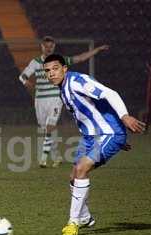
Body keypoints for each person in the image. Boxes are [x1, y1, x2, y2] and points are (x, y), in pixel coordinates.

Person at [43, 54, 145, 235]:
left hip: (107, 134)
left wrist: (124, 117)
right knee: (74, 175)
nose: (51, 73)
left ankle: (72, 223)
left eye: (55, 68)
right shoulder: (63, 89)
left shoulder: (77, 81)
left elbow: (109, 93)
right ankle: (85, 217)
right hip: (92, 137)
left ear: (64, 68)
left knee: (82, 169)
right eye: (47, 71)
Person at [19, 36, 109, 168]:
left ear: (54, 47)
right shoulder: (35, 62)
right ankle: (57, 157)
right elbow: (22, 76)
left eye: (51, 46)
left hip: (56, 98)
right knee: (46, 130)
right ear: (42, 47)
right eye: (46, 46)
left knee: (50, 127)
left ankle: (43, 159)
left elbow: (80, 58)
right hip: (40, 100)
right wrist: (26, 82)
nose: (49, 48)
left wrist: (97, 50)